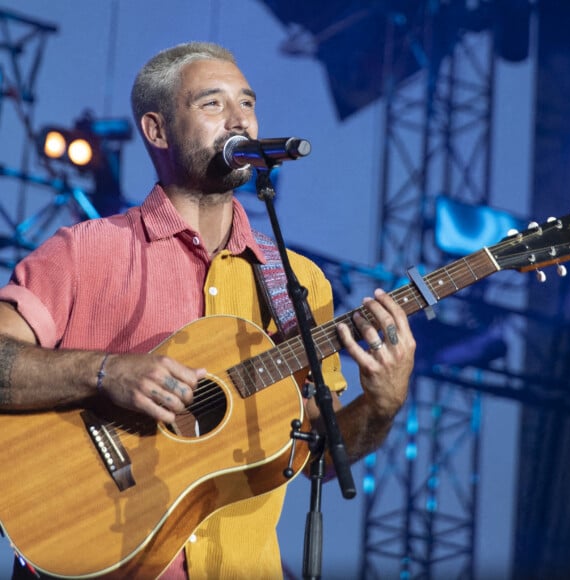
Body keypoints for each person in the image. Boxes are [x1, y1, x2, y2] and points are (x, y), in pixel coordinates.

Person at [0, 42, 415, 579]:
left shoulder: (299, 283)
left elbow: (317, 455)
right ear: (157, 130)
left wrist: (382, 405)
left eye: (247, 102)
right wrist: (105, 372)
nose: (240, 118)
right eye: (213, 104)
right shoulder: (83, 250)